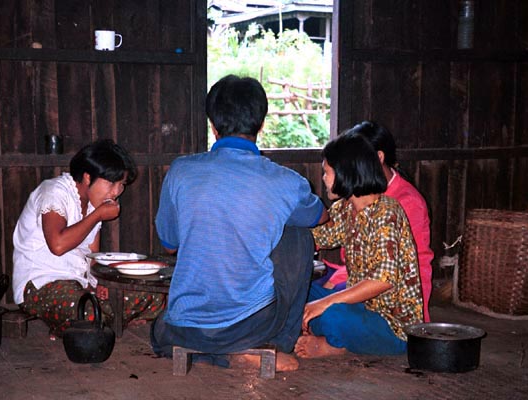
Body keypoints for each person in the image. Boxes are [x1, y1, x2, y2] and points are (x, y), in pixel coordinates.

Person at [151, 75, 327, 372]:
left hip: (183, 327)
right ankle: (272, 345)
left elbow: (169, 246)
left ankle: (214, 354)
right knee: (298, 235)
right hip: (253, 325)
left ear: (213, 126)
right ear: (260, 125)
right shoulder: (284, 180)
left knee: (159, 330)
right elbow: (320, 216)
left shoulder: (180, 172)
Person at [12, 139, 165, 338]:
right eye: (112, 183)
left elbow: (93, 256)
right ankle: (97, 321)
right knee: (88, 312)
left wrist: (98, 284)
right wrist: (97, 215)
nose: (117, 192)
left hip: (81, 286)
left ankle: (81, 325)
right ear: (87, 177)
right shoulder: (54, 192)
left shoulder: (95, 202)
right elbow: (57, 245)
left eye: (121, 184)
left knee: (155, 297)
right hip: (41, 285)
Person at [294, 131, 423, 359]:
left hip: (391, 325)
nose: (323, 178)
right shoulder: (346, 209)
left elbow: (381, 281)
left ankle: (335, 346)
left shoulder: (387, 213)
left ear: (346, 173)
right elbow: (315, 237)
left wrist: (324, 303)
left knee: (332, 315)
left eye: (327, 172)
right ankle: (326, 334)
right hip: (361, 307)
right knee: (295, 293)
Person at [313, 121, 434, 321]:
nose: (324, 178)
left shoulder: (397, 206)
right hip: (360, 280)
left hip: (394, 298)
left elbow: (384, 275)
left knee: (328, 309)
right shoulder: (353, 202)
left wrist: (335, 287)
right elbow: (323, 234)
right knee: (302, 296)